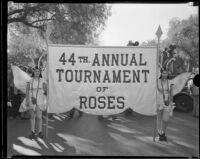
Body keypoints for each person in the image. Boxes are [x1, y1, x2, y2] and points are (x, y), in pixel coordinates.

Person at [21, 65, 47, 139]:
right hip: (31, 100)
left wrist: (46, 90)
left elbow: (45, 91)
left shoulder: (43, 80)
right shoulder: (30, 80)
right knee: (32, 117)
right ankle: (32, 131)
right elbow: (27, 90)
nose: (37, 72)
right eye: (35, 71)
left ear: (40, 72)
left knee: (39, 117)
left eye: (38, 71)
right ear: (33, 72)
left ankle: (40, 132)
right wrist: (26, 100)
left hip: (40, 100)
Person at [156, 69, 175, 141]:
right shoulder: (157, 81)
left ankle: (163, 132)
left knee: (166, 119)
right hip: (159, 101)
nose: (164, 74)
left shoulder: (170, 82)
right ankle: (160, 134)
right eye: (163, 73)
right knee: (159, 118)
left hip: (167, 102)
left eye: (166, 73)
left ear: (168, 74)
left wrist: (171, 102)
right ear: (161, 73)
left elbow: (171, 93)